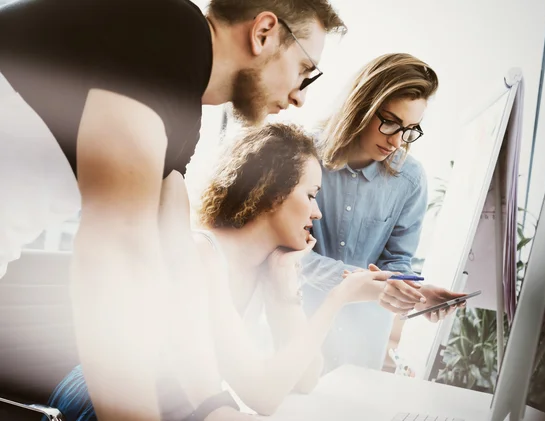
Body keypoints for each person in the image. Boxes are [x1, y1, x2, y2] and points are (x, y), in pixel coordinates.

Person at [0, 1, 345, 420]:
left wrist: (212, 407)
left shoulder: (180, 112)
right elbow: (119, 249)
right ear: (264, 33)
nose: (300, 97)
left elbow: (175, 270)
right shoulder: (169, 31)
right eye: (305, 69)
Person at [49, 123, 422, 418]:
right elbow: (263, 395)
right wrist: (338, 298)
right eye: (310, 195)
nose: (317, 212)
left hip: (185, 408)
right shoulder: (201, 253)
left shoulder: (268, 265)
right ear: (272, 191)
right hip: (109, 404)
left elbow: (305, 379)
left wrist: (284, 289)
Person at [300, 53, 467, 373]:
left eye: (410, 129)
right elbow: (289, 256)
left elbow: (397, 263)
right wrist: (374, 285)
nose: (396, 140)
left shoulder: (410, 180)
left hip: (361, 347)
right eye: (389, 121)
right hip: (296, 329)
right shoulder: (302, 153)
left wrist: (412, 293)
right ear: (361, 104)